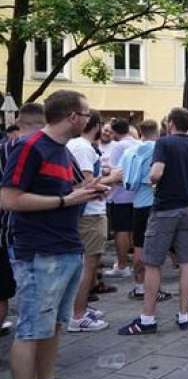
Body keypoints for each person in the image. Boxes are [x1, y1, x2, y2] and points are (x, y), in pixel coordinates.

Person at [1, 90, 107, 379]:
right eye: (87, 114)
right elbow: (8, 199)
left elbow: (72, 190)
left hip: (66, 248)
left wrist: (93, 189)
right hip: (38, 252)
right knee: (32, 329)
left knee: (55, 325)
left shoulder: (64, 151)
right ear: (73, 116)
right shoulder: (30, 147)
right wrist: (65, 200)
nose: (91, 121)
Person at [118, 108, 188, 335]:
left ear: (171, 124)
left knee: (153, 263)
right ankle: (184, 314)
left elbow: (156, 173)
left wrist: (148, 177)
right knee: (187, 262)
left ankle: (147, 319)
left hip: (165, 208)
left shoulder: (164, 144)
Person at [0, 103, 45, 338]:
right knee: (25, 298)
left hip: (11, 233)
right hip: (22, 234)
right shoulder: (39, 149)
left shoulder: (5, 149)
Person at [66, 110, 111, 333]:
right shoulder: (82, 147)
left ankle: (80, 308)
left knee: (86, 264)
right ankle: (78, 315)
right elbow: (86, 184)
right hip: (90, 213)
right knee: (88, 264)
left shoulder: (77, 145)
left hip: (87, 212)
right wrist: (112, 178)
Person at [120, 120, 168, 303]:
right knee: (156, 249)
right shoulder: (159, 149)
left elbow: (123, 176)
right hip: (155, 202)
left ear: (140, 132)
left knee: (139, 246)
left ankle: (140, 285)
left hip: (137, 203)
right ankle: (155, 288)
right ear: (157, 132)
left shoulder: (130, 151)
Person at [104, 119, 140, 278]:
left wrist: (105, 170)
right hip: (137, 194)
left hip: (121, 194)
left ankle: (122, 264)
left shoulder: (119, 146)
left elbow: (115, 171)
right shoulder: (138, 144)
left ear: (115, 132)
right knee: (134, 230)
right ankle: (132, 261)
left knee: (121, 230)